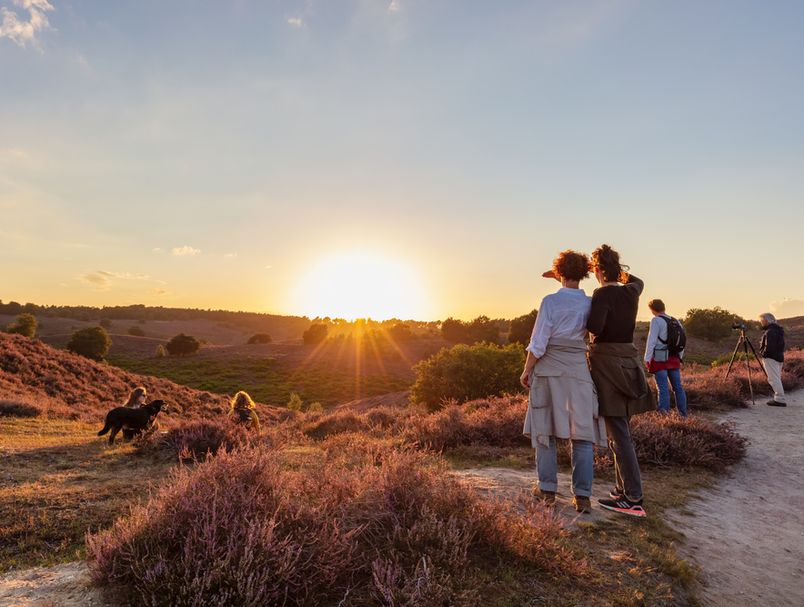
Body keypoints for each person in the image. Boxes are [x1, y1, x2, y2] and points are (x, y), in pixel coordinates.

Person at [520, 250, 607, 514]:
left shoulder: (550, 302)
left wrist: (526, 371)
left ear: (559, 273)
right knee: (581, 433)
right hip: (578, 370)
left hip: (549, 367)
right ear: (584, 274)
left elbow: (538, 342)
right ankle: (582, 496)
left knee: (545, 430)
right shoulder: (591, 303)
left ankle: (547, 490)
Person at [586, 245, 655, 518]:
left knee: (620, 433)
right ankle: (622, 488)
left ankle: (633, 499)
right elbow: (638, 281)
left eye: (595, 270)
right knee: (620, 431)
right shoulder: (631, 290)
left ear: (599, 270)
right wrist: (617, 272)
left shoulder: (603, 293)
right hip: (629, 360)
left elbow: (595, 327)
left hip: (608, 363)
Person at [644, 299, 688, 416]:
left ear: (652, 309)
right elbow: (682, 341)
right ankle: (683, 415)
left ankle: (664, 415)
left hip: (659, 359)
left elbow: (651, 341)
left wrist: (647, 358)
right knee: (678, 387)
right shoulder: (676, 321)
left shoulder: (656, 320)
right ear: (663, 307)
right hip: (674, 358)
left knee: (662, 388)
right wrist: (680, 357)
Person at [759, 313, 786, 407]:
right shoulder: (778, 330)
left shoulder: (770, 331)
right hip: (778, 357)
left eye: (761, 321)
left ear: (766, 320)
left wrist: (763, 354)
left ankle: (780, 399)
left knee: (773, 379)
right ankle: (779, 398)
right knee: (776, 378)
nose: (761, 323)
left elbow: (769, 346)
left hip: (771, 358)